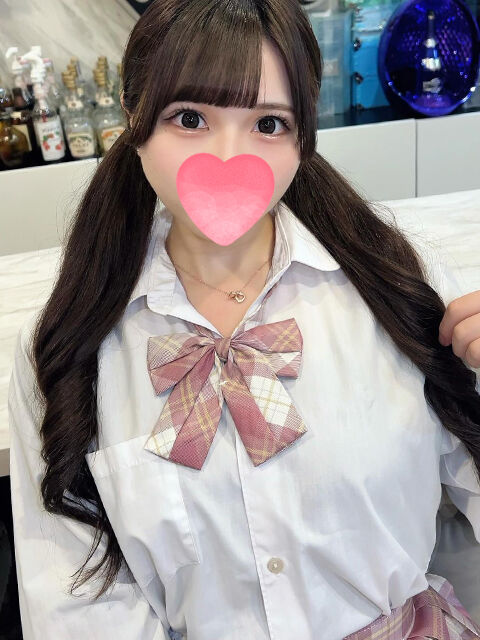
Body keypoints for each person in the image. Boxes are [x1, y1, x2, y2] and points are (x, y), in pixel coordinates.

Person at [8, 0, 480, 638]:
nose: (229, 157)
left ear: (304, 136)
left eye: (269, 124)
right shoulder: (67, 345)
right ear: (132, 114)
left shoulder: (401, 287)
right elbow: (74, 599)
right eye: (190, 118)